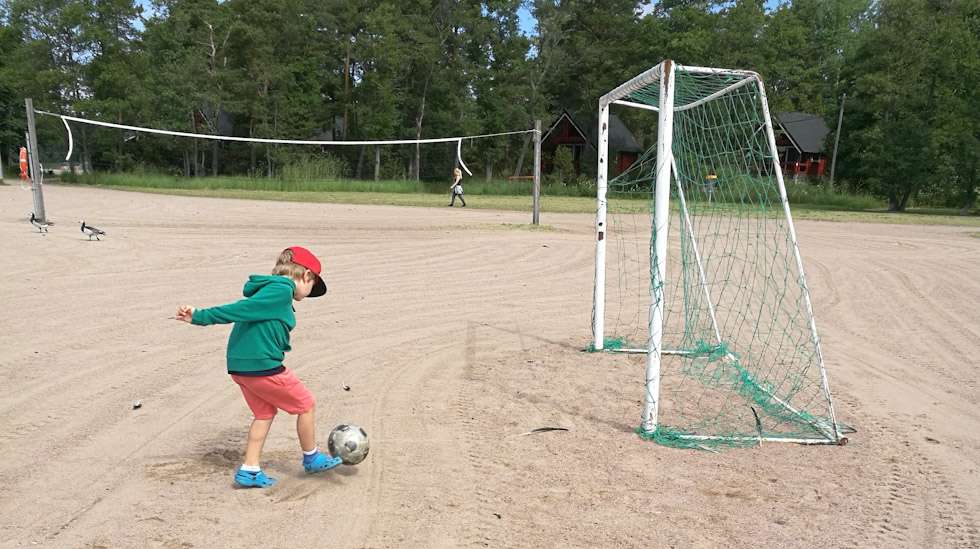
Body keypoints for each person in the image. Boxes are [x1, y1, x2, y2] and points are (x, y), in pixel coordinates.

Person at [175, 246, 342, 488]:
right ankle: (312, 457)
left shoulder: (269, 289)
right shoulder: (281, 289)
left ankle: (249, 470)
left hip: (241, 367)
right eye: (313, 285)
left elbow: (250, 312)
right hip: (261, 365)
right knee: (306, 404)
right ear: (307, 275)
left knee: (264, 414)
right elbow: (240, 310)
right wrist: (201, 316)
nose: (309, 292)